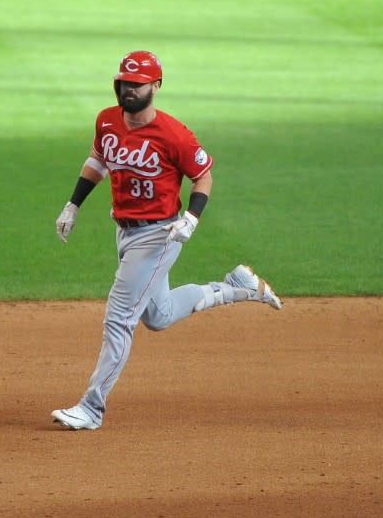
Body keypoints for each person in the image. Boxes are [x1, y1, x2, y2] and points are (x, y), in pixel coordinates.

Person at [52, 50, 282, 430]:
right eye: (124, 82)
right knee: (157, 316)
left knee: (119, 318)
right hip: (124, 231)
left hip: (159, 234)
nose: (128, 90)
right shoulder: (107, 121)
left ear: (155, 86)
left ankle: (91, 408)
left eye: (137, 84)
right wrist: (72, 205)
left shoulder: (174, 134)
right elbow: (97, 160)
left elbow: (203, 175)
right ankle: (236, 287)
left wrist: (192, 218)